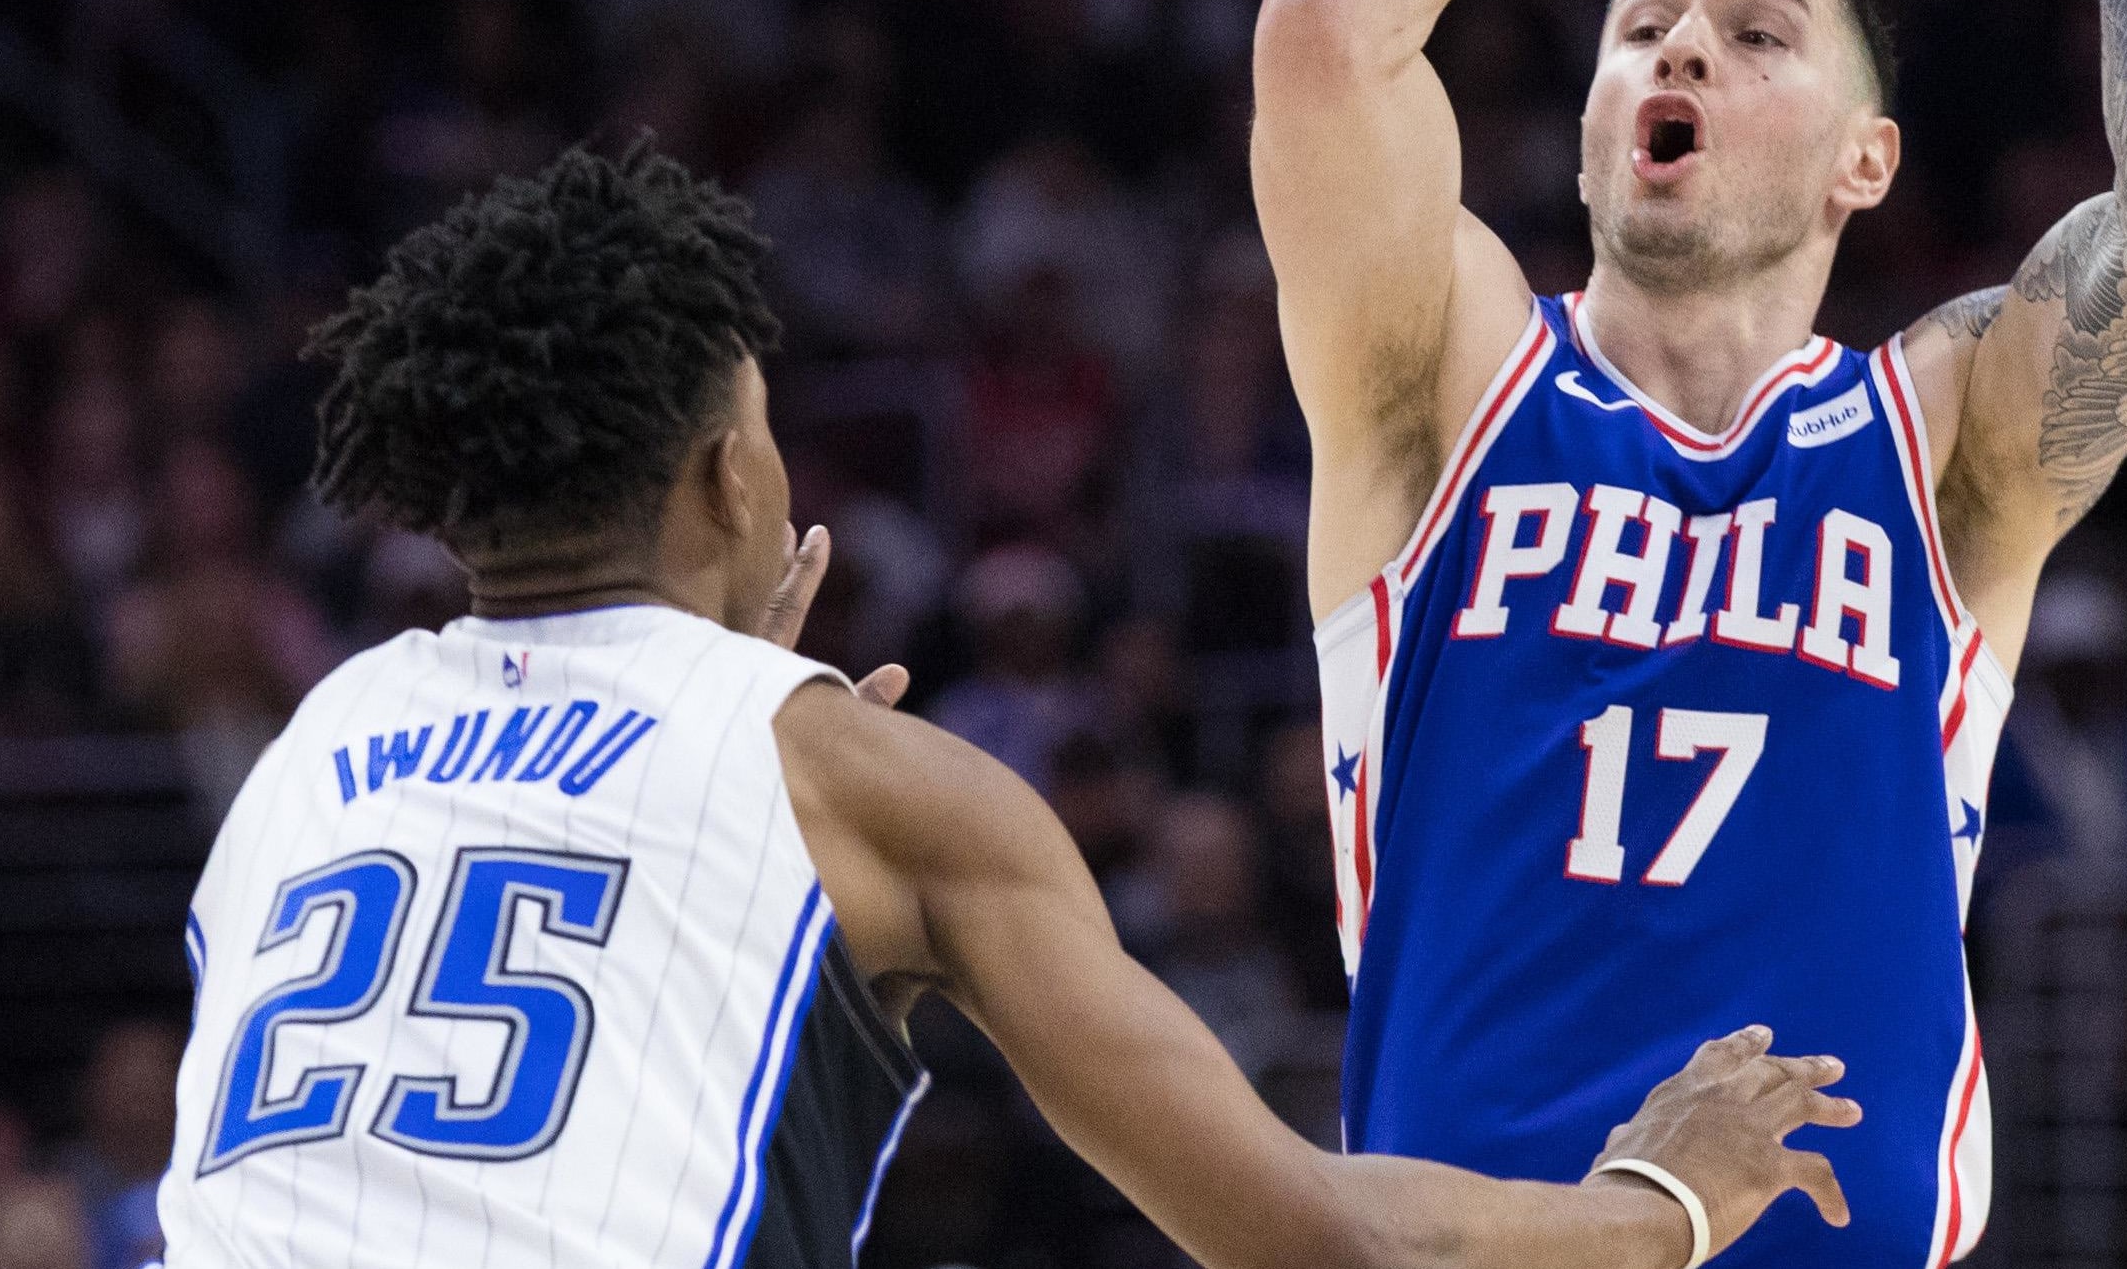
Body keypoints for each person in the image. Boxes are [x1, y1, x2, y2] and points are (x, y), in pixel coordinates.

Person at [154, 144, 1861, 1269]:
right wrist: (1661, 1206)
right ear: (730, 471)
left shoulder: (311, 751)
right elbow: (1324, 1243)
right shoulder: (868, 785)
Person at [1250, 0, 2127, 1267]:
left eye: (1757, 25)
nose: (1685, 40)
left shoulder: (1940, 442)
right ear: (1584, 138)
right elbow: (1332, 32)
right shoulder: (1446, 385)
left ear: (1866, 163)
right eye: (1642, 22)